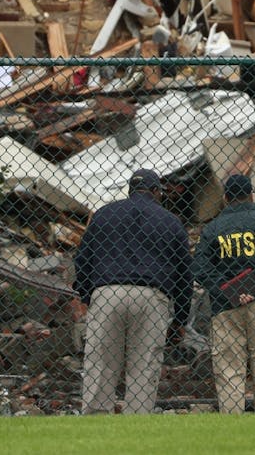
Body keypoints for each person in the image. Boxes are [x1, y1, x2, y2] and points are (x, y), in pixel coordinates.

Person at [72, 168, 192, 414]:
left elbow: (82, 260)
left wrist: (87, 295)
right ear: (157, 191)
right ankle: (137, 423)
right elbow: (184, 275)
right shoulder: (170, 221)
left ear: (129, 190)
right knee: (144, 366)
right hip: (151, 295)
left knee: (101, 364)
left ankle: (95, 421)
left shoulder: (104, 215)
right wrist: (179, 318)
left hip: (107, 292)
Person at [192, 173, 255, 414]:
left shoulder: (213, 228)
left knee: (229, 366)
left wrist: (230, 289)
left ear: (226, 197)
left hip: (226, 304)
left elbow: (200, 268)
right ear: (251, 194)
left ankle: (232, 420)